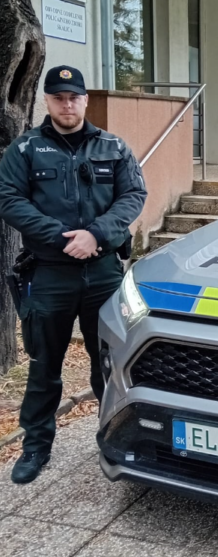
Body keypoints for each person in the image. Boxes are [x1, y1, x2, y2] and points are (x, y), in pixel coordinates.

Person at [0, 65, 147, 484]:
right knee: (44, 365)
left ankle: (114, 439)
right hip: (49, 274)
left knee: (109, 364)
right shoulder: (26, 149)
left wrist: (96, 234)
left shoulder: (113, 147)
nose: (68, 104)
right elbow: (9, 198)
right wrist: (64, 238)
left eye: (74, 96)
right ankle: (35, 446)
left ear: (85, 99)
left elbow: (133, 195)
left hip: (103, 272)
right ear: (47, 101)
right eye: (59, 97)